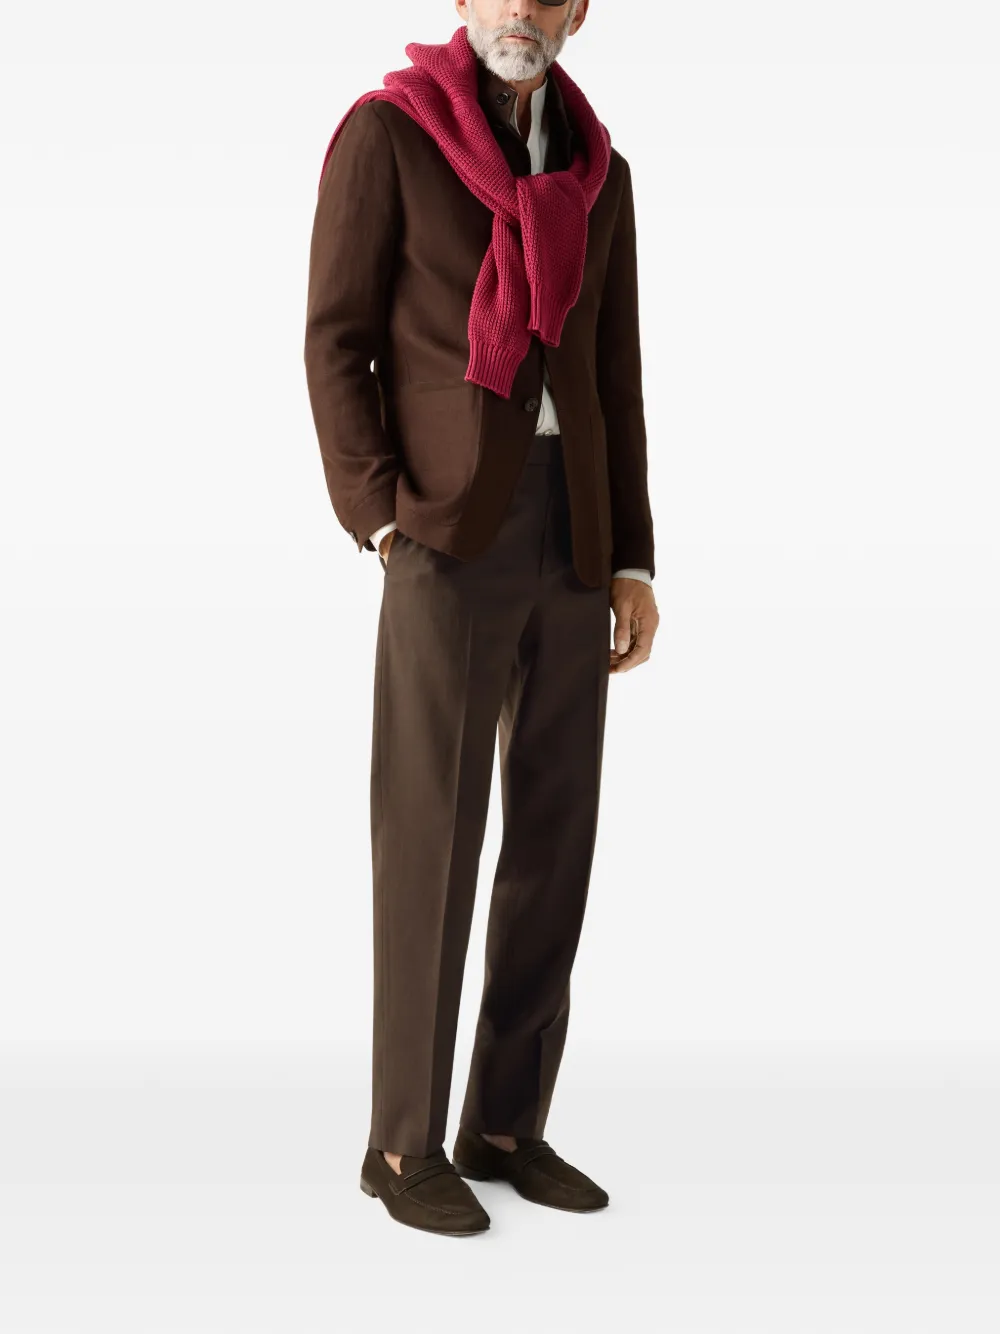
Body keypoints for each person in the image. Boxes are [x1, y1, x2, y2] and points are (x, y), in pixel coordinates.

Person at [303, 0, 659, 1237]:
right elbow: (336, 340)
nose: (520, 8)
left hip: (575, 532)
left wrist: (632, 558)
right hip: (446, 532)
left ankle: (503, 1124)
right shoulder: (390, 135)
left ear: (577, 13)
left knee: (555, 835)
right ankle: (401, 1145)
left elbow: (613, 374)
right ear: (463, 0)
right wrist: (380, 518)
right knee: (431, 837)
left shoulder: (599, 170)